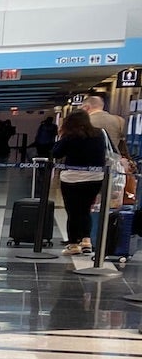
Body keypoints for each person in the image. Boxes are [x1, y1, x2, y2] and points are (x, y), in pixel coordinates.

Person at [52, 109, 108, 255]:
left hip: (72, 178)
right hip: (95, 178)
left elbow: (56, 153)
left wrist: (60, 136)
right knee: (85, 210)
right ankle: (86, 241)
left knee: (72, 211)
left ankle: (73, 244)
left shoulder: (70, 136)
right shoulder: (99, 133)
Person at [83, 95, 133, 203]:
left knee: (91, 199)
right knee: (111, 197)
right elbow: (122, 143)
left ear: (87, 107)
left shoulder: (85, 122)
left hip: (90, 165)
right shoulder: (119, 120)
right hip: (114, 165)